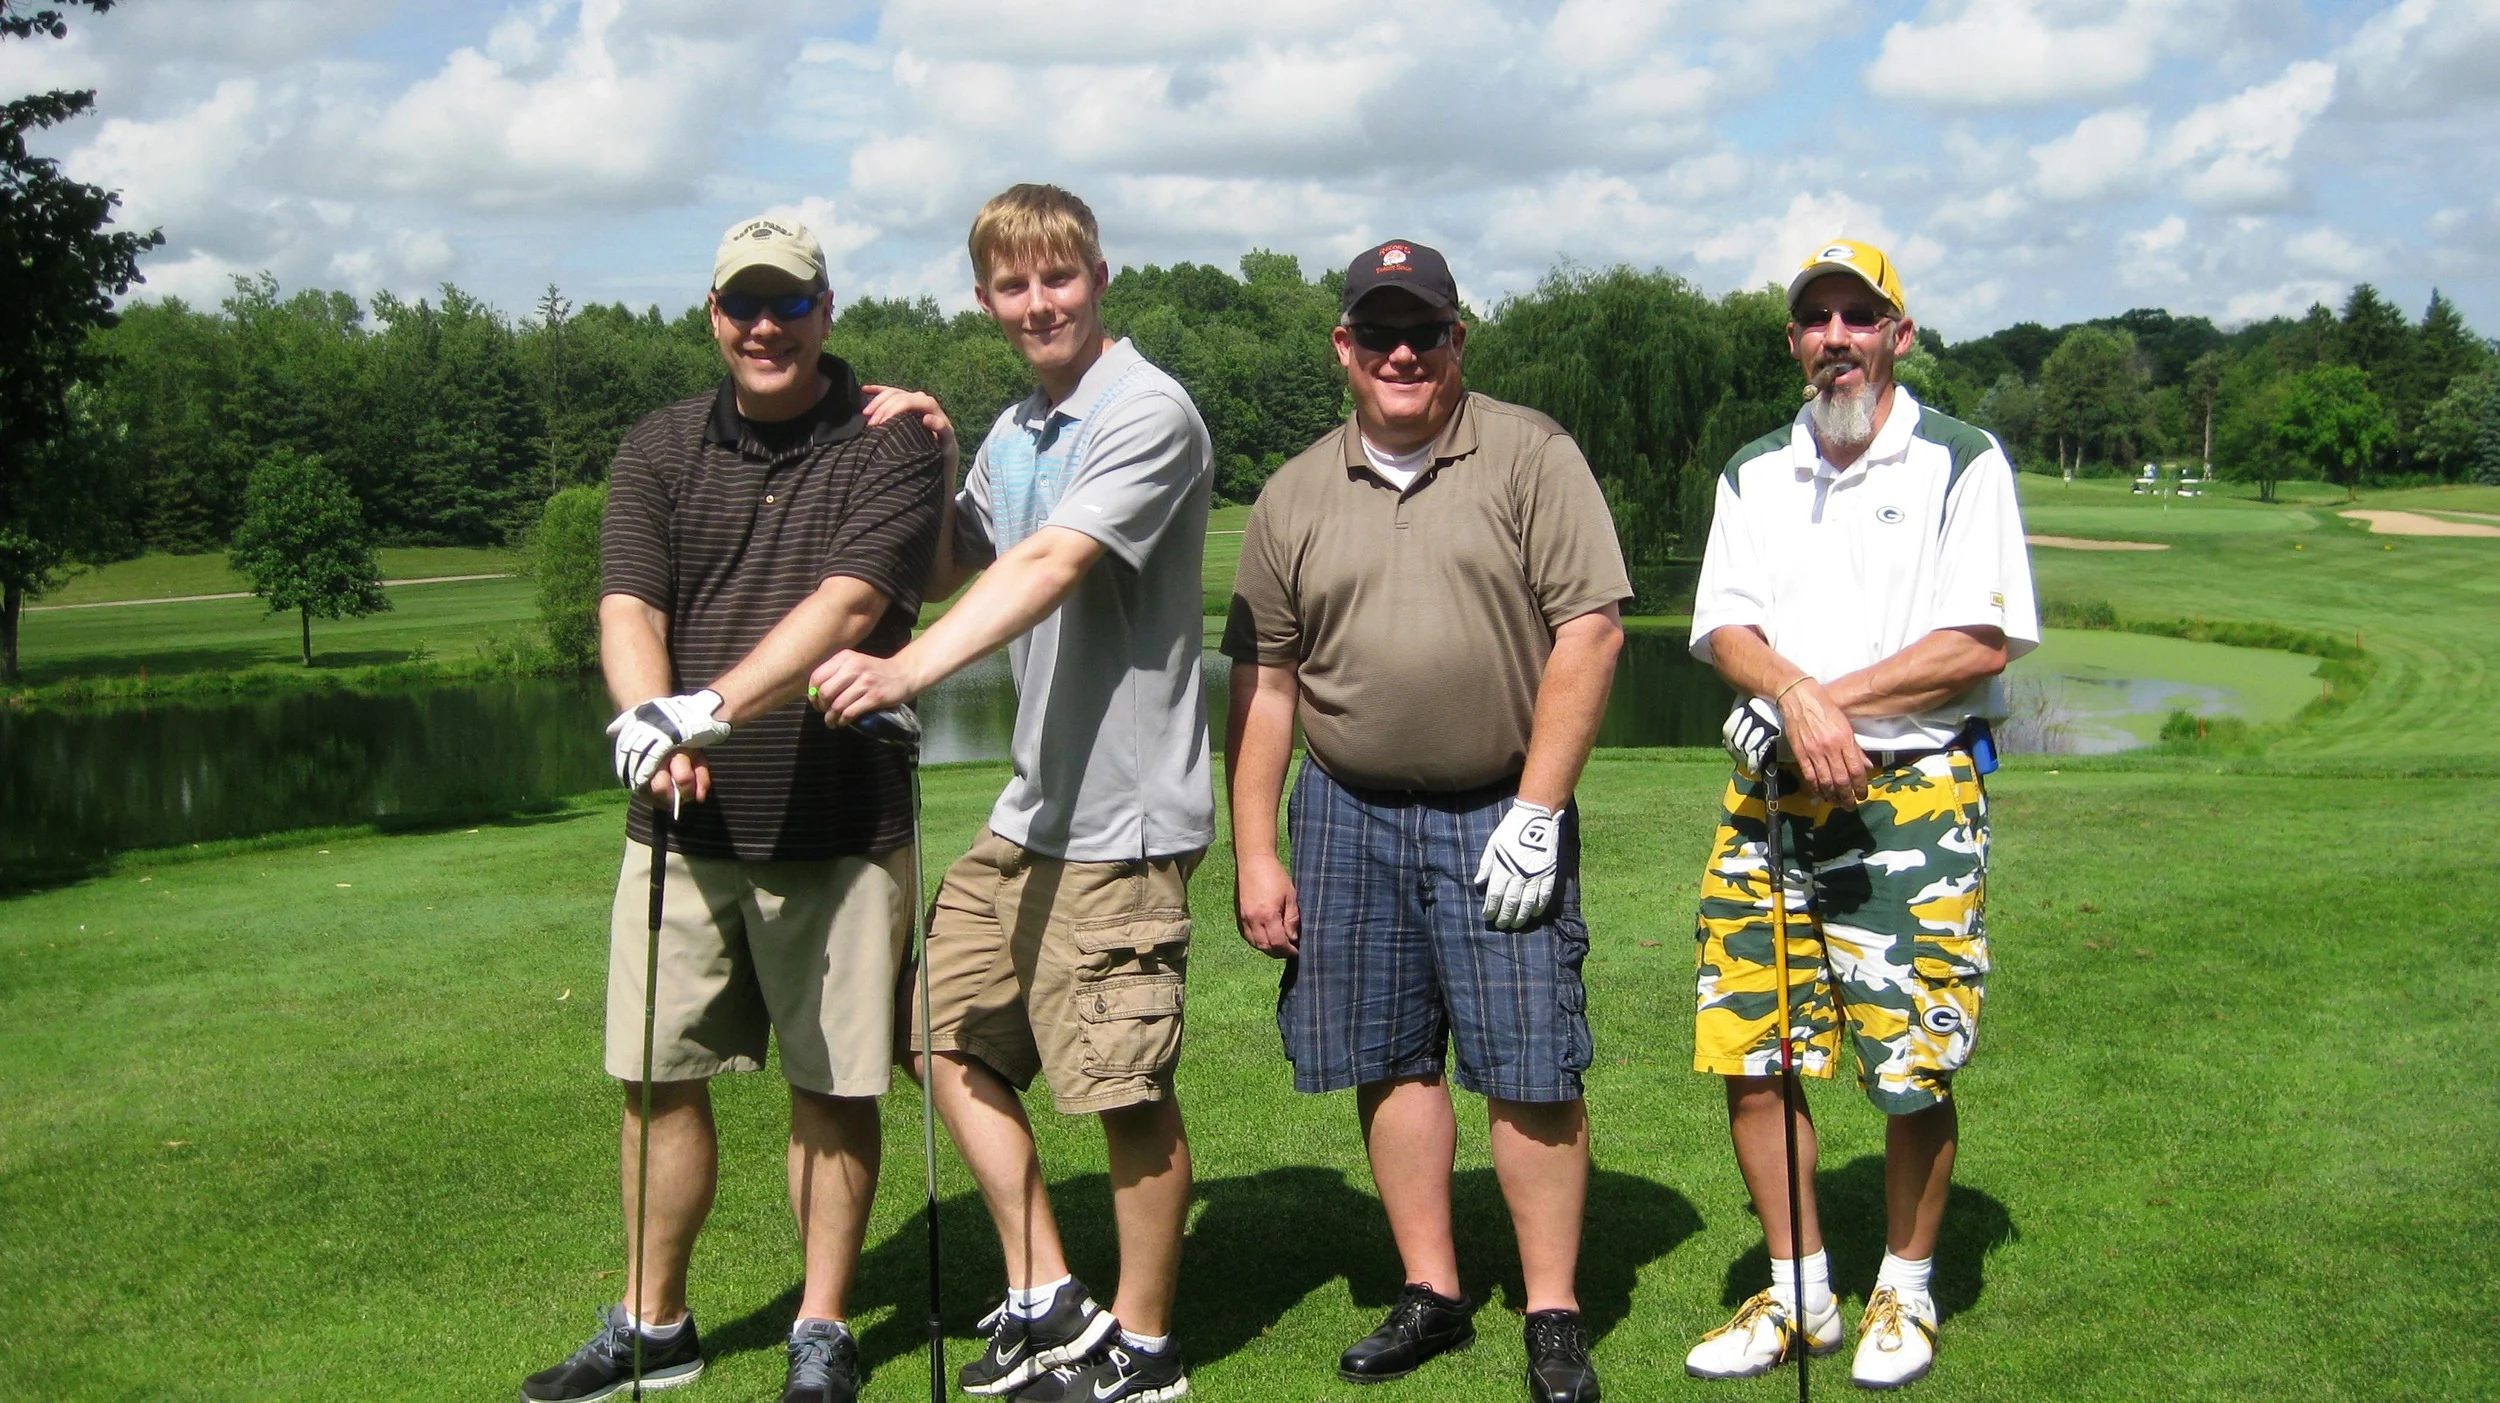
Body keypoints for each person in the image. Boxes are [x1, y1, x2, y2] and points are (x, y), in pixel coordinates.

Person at [518, 215, 945, 1403]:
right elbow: (626, 605)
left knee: (833, 1081)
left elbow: (853, 605)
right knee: (655, 1076)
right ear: (711, 314)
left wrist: (703, 710)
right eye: (742, 303)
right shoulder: (656, 446)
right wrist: (648, 718)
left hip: (840, 826)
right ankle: (654, 1323)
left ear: (826, 311)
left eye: (789, 303)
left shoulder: (890, 439)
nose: (765, 325)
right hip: (682, 828)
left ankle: (821, 1327)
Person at [808, 183, 1214, 1403]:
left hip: (1124, 816)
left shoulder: (1147, 411)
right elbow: (957, 562)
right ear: (986, 299)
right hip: (1032, 807)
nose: (1039, 302)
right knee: (938, 1028)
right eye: (1013, 284)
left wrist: (902, 670)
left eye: (1059, 277)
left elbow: (1051, 561)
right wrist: (929, 455)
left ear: (1097, 277)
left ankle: (1143, 1351)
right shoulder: (1016, 429)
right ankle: (1048, 1290)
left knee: (1120, 1083)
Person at [1223, 239, 1628, 1403]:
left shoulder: (1529, 452)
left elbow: (1589, 631)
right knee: (1388, 1056)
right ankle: (1431, 1290)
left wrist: (1539, 811)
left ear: (1458, 340)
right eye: (1379, 332)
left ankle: (1551, 1311)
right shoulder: (1294, 490)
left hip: (1498, 804)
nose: (1403, 351)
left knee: (1529, 1060)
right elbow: (1265, 682)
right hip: (1345, 811)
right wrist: (1257, 848)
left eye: (1427, 331)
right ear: (1343, 346)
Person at [1679, 238, 2037, 1391]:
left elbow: (1976, 640)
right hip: (1770, 804)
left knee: (1911, 1062)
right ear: (1793, 339)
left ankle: (1907, 1287)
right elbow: (1724, 627)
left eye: (1858, 315)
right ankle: (1799, 1294)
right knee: (1753, 1049)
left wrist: (1818, 702)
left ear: (1898, 334)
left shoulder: (1959, 459)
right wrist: (1791, 696)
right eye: (1815, 317)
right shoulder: (1754, 469)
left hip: (1913, 797)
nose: (1836, 337)